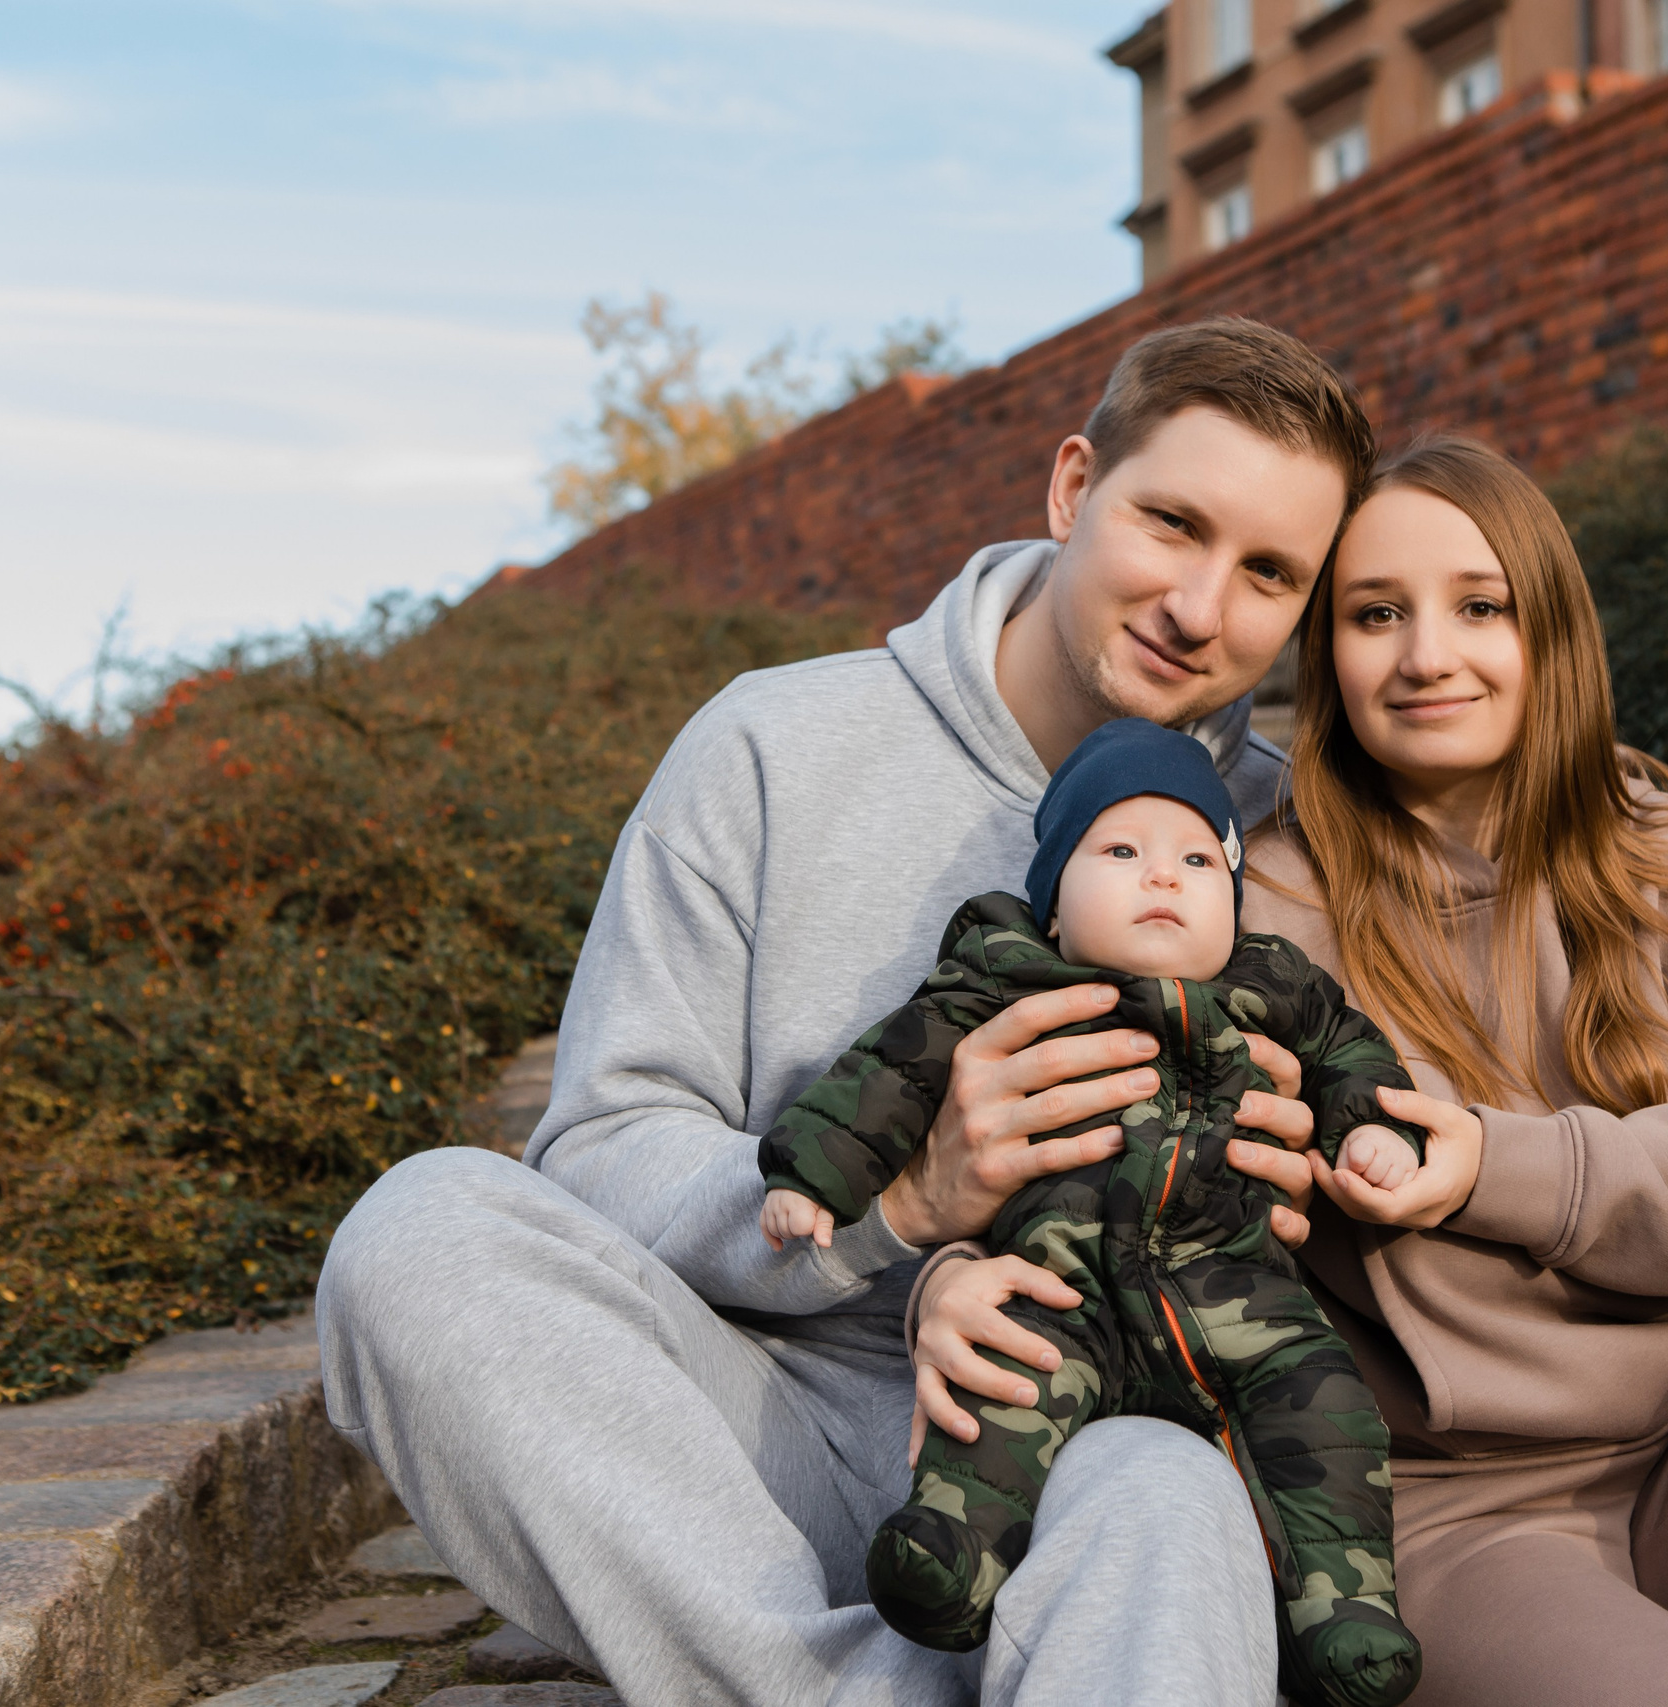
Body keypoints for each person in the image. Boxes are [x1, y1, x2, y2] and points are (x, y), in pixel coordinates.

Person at [909, 435, 1668, 1705]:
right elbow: (1110, 1136)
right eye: (1374, 613)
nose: (1428, 654)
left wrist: (1503, 1166)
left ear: (1549, 628)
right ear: (1328, 655)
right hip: (1455, 1523)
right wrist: (954, 1274)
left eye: (1479, 605)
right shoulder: (1249, 910)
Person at [314, 318, 1374, 1707]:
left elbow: (1412, 1108)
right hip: (761, 1426)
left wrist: (1319, 1173)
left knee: (1167, 1496)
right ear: (1071, 489)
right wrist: (907, 1203)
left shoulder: (1292, 837)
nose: (1199, 605)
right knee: (419, 1231)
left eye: (1270, 573)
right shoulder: (770, 746)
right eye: (1172, 523)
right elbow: (600, 1144)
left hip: (1089, 1427)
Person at [759, 716, 1426, 1707]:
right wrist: (810, 1173)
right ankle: (952, 1554)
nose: (1164, 877)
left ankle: (1346, 1613)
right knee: (997, 1393)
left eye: (1198, 858)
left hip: (1236, 1294)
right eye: (1120, 851)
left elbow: (1349, 1054)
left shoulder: (1273, 986)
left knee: (1324, 1411)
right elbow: (889, 1071)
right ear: (1055, 900)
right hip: (1057, 1287)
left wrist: (1371, 1128)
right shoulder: (1000, 977)